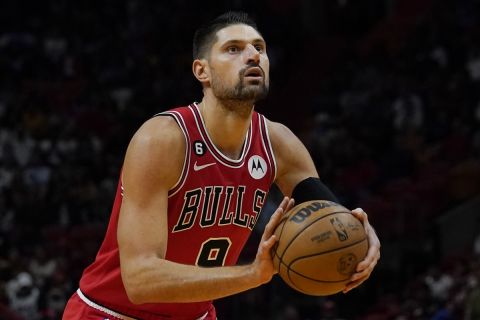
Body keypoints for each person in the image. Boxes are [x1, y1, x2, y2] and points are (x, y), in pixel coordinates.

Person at [62, 11, 381, 320]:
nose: (253, 56)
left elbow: (330, 215)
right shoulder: (162, 140)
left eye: (260, 48)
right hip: (111, 313)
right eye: (233, 49)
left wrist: (364, 238)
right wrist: (252, 274)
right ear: (202, 71)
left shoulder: (279, 143)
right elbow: (140, 280)